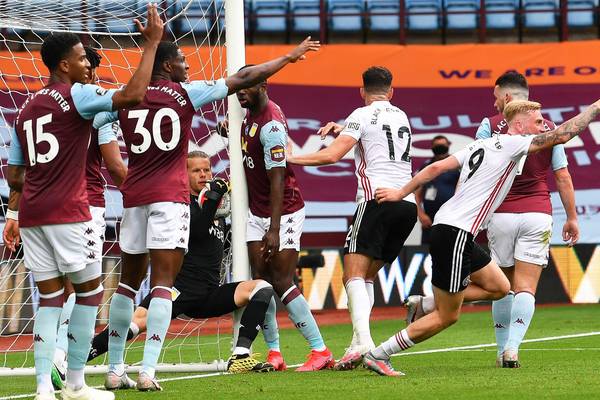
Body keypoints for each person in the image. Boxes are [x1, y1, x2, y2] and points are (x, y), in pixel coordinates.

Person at [93, 37, 320, 390]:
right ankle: (147, 372)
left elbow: (96, 124)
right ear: (168, 66)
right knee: (163, 288)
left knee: (126, 287)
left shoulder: (126, 96)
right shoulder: (184, 94)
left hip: (134, 197)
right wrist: (290, 56)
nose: (188, 65)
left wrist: (121, 172)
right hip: (168, 198)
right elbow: (244, 79)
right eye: (183, 60)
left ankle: (114, 369)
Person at [367, 99, 599, 376]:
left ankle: (424, 303)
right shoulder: (515, 144)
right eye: (537, 122)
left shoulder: (480, 144)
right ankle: (380, 354)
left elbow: (434, 169)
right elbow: (563, 134)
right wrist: (596, 108)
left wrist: (399, 192)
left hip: (455, 230)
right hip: (454, 233)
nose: (542, 126)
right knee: (447, 316)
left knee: (501, 286)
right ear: (520, 124)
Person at [3, 5, 163, 399]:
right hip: (70, 210)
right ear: (64, 65)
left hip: (34, 214)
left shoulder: (27, 108)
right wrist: (151, 45)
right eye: (80, 58)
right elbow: (134, 94)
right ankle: (75, 382)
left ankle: (43, 388)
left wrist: (16, 210)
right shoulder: (78, 95)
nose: (86, 64)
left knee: (51, 297)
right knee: (89, 291)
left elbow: (16, 172)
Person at [86, 151, 276, 375]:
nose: (204, 175)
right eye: (196, 170)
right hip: (178, 291)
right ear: (183, 175)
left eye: (207, 170)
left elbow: (218, 245)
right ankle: (76, 358)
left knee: (262, 288)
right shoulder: (181, 205)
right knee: (135, 323)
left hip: (208, 294)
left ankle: (241, 355)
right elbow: (196, 231)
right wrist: (212, 199)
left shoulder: (215, 207)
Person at [287, 66, 417, 370]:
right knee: (366, 276)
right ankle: (358, 343)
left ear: (362, 92)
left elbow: (332, 156)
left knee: (353, 275)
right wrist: (344, 128)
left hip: (375, 201)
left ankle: (365, 344)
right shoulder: (401, 116)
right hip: (406, 203)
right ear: (391, 91)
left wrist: (291, 158)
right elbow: (374, 136)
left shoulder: (360, 115)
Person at [218, 65, 334, 372]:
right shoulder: (250, 114)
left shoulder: (271, 125)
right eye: (239, 86)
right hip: (255, 211)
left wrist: (274, 227)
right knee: (261, 283)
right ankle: (274, 352)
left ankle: (319, 350)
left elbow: (278, 178)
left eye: (247, 85)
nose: (240, 90)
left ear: (263, 86)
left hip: (284, 212)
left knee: (282, 280)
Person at [476, 72, 578, 368]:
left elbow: (477, 171)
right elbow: (562, 176)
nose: (494, 103)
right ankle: (512, 349)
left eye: (496, 97)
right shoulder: (551, 129)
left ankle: (499, 350)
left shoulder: (489, 127)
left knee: (502, 286)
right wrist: (571, 217)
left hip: (500, 214)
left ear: (507, 97)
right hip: (537, 213)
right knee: (526, 288)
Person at [51, 46, 129, 390]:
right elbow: (114, 166)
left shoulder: (46, 104)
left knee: (56, 287)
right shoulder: (98, 112)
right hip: (87, 204)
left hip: (49, 205)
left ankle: (49, 364)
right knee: (84, 289)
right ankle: (60, 357)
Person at [414, 135, 459, 245]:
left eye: (442, 145)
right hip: (430, 220)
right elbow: (417, 194)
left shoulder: (457, 164)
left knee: (450, 249)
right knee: (428, 250)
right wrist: (421, 215)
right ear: (432, 147)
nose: (440, 148)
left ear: (448, 145)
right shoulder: (426, 166)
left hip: (451, 218)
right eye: (437, 146)